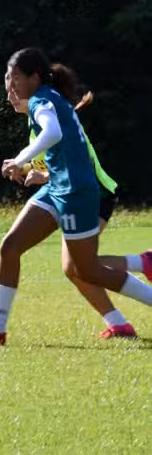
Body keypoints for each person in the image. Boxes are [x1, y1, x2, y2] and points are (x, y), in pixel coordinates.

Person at [0, 47, 152, 345]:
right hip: (57, 188)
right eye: (7, 77)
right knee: (10, 247)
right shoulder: (43, 101)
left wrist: (20, 159)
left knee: (87, 270)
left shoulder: (42, 99)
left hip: (75, 192)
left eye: (15, 77)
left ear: (34, 77)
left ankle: (127, 306)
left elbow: (53, 134)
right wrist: (27, 166)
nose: (10, 85)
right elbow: (54, 147)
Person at [10, 71, 149, 339]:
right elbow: (49, 163)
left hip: (96, 195)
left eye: (16, 88)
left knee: (81, 267)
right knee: (75, 268)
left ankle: (142, 266)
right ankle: (119, 323)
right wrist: (25, 167)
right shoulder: (39, 125)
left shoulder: (57, 124)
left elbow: (77, 167)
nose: (10, 95)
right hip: (76, 196)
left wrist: (42, 176)